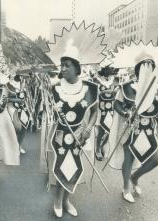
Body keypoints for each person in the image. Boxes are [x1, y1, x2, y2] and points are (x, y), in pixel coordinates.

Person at [110, 58, 158, 203]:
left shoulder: (157, 87)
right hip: (132, 128)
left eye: (151, 67)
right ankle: (125, 188)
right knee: (129, 159)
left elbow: (157, 109)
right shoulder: (127, 87)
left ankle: (135, 177)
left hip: (148, 129)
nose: (149, 70)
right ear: (138, 70)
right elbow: (117, 104)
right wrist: (125, 113)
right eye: (145, 67)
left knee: (156, 160)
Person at [51, 56, 98, 217]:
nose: (63, 68)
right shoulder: (54, 88)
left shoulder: (90, 88)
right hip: (61, 134)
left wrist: (89, 128)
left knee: (74, 166)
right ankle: (58, 200)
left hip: (79, 135)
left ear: (77, 67)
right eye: (61, 65)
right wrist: (53, 110)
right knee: (62, 165)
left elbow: (94, 111)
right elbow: (49, 113)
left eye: (67, 65)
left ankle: (66, 200)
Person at [93, 66, 119, 161]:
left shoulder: (115, 80)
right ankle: (98, 150)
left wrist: (114, 92)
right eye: (109, 68)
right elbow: (94, 95)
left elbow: (118, 93)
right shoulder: (96, 80)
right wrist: (103, 94)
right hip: (101, 109)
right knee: (101, 131)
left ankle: (102, 145)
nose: (111, 70)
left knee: (111, 130)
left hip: (112, 109)